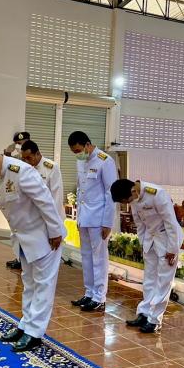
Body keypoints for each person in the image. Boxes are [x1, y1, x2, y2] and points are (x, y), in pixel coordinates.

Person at [0, 143, 65, 352]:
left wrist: (56, 232)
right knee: (29, 283)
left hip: (44, 237)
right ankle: (25, 325)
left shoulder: (21, 172)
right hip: (23, 239)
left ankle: (35, 333)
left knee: (43, 285)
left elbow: (46, 202)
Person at [111, 179, 184, 334]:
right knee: (149, 279)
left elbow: (170, 222)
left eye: (127, 201)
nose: (129, 203)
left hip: (167, 240)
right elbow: (140, 224)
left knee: (163, 281)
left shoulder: (157, 194)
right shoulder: (134, 197)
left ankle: (154, 320)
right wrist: (143, 245)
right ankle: (144, 313)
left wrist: (172, 249)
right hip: (150, 241)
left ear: (133, 191)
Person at [68, 131, 116, 313]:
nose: (77, 154)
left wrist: (107, 222)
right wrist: (78, 217)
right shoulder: (81, 161)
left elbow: (111, 193)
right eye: (74, 152)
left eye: (78, 150)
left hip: (98, 219)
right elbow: (80, 190)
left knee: (99, 259)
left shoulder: (105, 161)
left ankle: (99, 298)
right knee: (86, 257)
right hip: (84, 218)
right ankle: (89, 293)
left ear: (87, 145)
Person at [4, 132, 31, 269]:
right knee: (15, 233)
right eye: (18, 144)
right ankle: (19, 258)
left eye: (22, 143)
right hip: (16, 199)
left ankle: (26, 259)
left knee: (26, 233)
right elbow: (7, 165)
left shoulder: (32, 156)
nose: (20, 146)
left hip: (28, 202)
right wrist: (8, 153)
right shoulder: (16, 158)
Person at [20, 140, 65, 221]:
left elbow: (57, 196)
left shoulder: (51, 168)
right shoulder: (26, 168)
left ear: (37, 153)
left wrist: (54, 220)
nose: (26, 161)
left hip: (50, 216)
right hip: (35, 216)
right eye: (24, 159)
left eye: (28, 158)